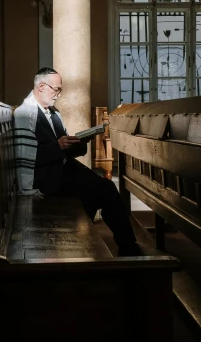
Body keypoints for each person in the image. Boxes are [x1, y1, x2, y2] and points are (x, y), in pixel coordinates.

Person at [14, 67, 142, 256]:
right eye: (56, 89)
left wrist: (80, 143)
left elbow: (63, 150)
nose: (58, 95)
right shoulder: (25, 115)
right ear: (41, 87)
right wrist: (59, 146)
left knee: (100, 190)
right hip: (45, 178)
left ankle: (92, 244)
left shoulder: (53, 113)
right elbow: (25, 158)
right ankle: (127, 248)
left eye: (60, 90)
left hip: (63, 170)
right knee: (105, 190)